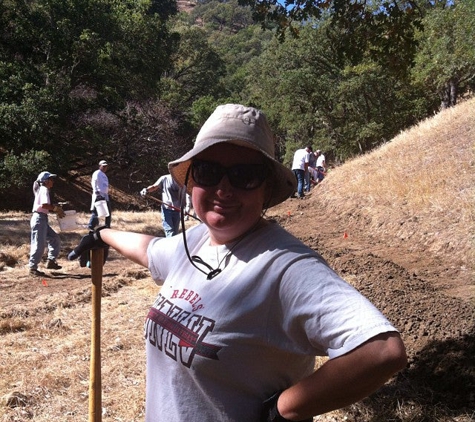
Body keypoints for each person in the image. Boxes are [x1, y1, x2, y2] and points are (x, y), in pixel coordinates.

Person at [69, 104, 407, 422]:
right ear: (191, 182)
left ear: (266, 188)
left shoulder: (286, 267)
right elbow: (150, 249)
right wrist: (104, 234)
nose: (224, 189)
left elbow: (381, 350)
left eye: (244, 175)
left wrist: (285, 407)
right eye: (208, 172)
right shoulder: (197, 241)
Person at [28, 171, 65, 276]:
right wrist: (55, 208)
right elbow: (44, 205)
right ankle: (32, 268)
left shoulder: (43, 189)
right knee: (39, 244)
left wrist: (54, 207)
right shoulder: (44, 189)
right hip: (40, 219)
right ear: (46, 181)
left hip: (41, 218)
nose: (52, 181)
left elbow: (44, 205)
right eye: (51, 179)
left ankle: (51, 261)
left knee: (54, 238)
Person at [88, 159, 111, 230]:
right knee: (96, 212)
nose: (105, 168)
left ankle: (107, 226)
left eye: (106, 166)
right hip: (99, 195)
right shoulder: (97, 173)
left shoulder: (104, 175)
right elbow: (94, 183)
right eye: (103, 166)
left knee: (108, 212)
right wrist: (97, 193)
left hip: (105, 195)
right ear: (100, 166)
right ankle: (91, 226)